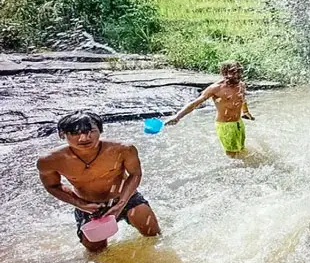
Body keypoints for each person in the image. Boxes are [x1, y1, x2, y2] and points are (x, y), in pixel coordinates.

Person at [37, 112, 160, 252]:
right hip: (88, 204)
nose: (84, 138)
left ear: (100, 130)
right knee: (97, 253)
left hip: (125, 197)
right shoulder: (49, 160)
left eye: (91, 131)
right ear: (62, 134)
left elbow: (135, 174)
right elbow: (52, 186)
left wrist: (120, 204)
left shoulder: (123, 149)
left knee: (154, 237)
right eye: (75, 133)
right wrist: (80, 204)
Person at [166, 60, 254, 158]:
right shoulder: (215, 88)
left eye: (239, 72)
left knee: (241, 150)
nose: (237, 75)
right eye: (233, 72)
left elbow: (242, 98)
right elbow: (195, 103)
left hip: (239, 123)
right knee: (232, 156)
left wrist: (245, 111)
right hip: (225, 126)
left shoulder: (241, 84)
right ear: (224, 73)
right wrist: (177, 116)